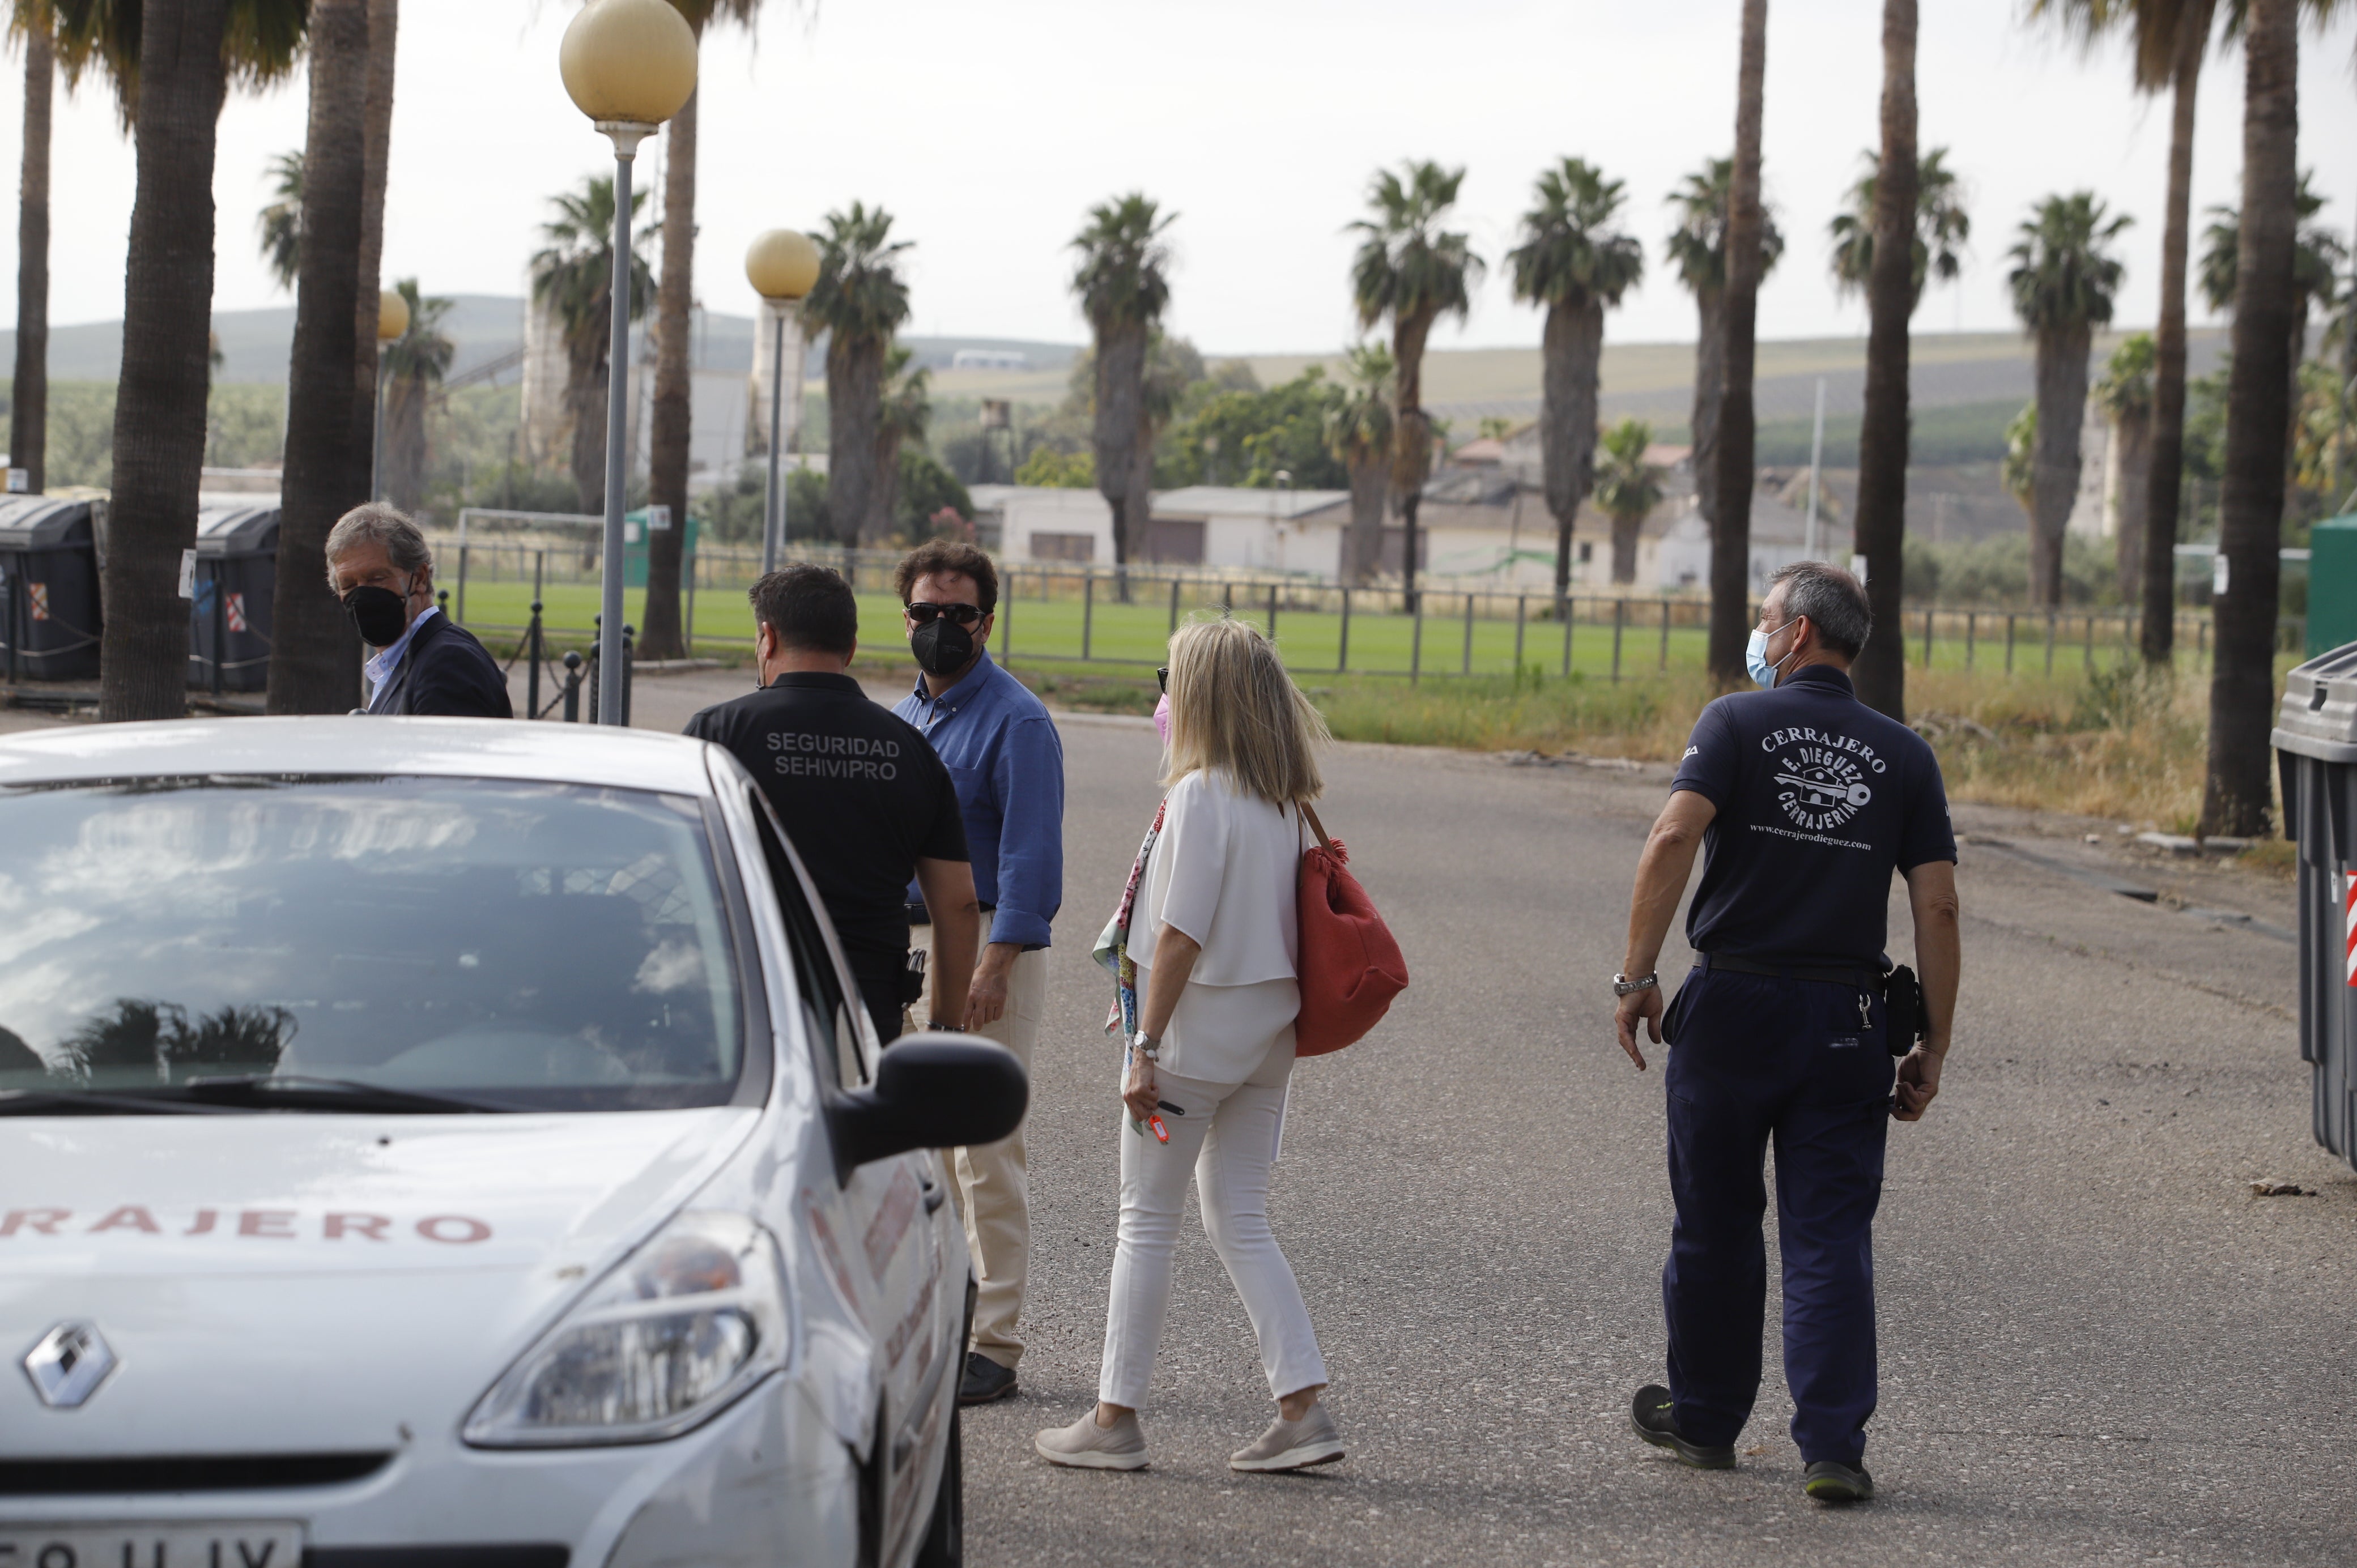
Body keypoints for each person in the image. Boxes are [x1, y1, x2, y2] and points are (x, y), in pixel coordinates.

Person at [1610, 561, 1960, 1505]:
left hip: (1731, 1006)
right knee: (1829, 1235)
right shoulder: (1908, 756)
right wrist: (1933, 1038)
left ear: (1800, 631)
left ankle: (1709, 1420)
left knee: (1715, 1222)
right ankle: (1834, 1448)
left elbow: (1672, 838)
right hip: (1848, 1021)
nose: (1759, 635)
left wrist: (1639, 974)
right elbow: (1938, 903)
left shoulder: (1732, 722)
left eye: (1767, 619)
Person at [1035, 616, 1343, 1476]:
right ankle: (1301, 1404)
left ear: (1199, 694)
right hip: (1267, 1033)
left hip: (1195, 1035)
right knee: (1239, 1216)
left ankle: (1114, 1418)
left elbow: (1178, 936)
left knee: (1145, 1223)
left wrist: (1144, 1045)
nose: (1161, 694)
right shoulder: (1282, 799)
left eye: (1169, 678)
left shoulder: (1202, 795)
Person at [891, 539, 1065, 1407]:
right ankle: (939, 1320)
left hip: (992, 944)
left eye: (959, 614)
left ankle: (993, 1342)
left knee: (987, 1152)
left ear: (987, 622)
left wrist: (996, 963)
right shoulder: (907, 717)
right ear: (906, 617)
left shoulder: (1018, 720)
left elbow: (1034, 853)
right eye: (926, 613)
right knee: (925, 1151)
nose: (941, 628)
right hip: (918, 945)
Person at [682, 565, 981, 1043]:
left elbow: (683, 871)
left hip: (742, 999)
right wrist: (944, 1028)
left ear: (768, 638)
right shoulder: (911, 750)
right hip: (865, 1008)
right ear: (852, 647)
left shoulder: (718, 734)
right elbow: (960, 905)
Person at [326, 503, 512, 718]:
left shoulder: (447, 665)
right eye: (348, 585)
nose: (362, 597)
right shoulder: (404, 663)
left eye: (377, 579)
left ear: (420, 578)